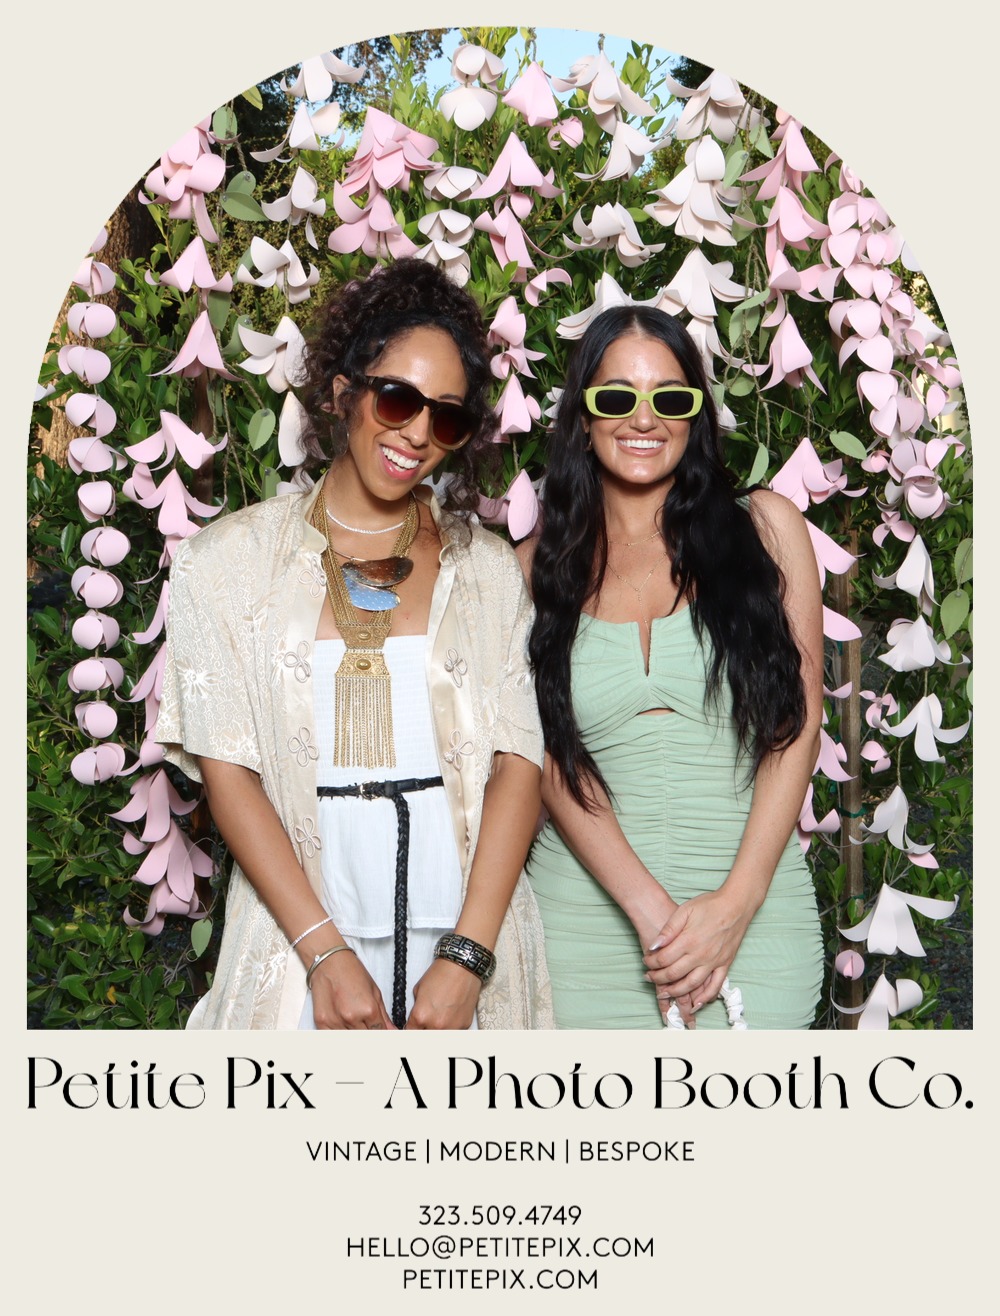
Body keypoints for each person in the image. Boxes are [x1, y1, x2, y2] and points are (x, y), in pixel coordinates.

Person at [156, 258, 552, 1030]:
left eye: (447, 417)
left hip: (464, 932)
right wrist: (324, 954)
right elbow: (229, 773)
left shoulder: (487, 568)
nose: (417, 434)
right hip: (299, 937)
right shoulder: (224, 563)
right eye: (398, 398)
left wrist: (468, 957)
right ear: (343, 393)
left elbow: (519, 764)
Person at [517, 306, 824, 1029]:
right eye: (617, 396)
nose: (644, 418)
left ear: (696, 417)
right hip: (582, 933)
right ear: (583, 419)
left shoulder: (768, 530)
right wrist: (652, 915)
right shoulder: (530, 571)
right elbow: (546, 760)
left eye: (671, 398)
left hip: (756, 918)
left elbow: (798, 725)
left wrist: (736, 906)